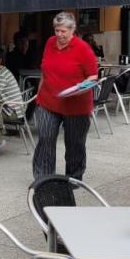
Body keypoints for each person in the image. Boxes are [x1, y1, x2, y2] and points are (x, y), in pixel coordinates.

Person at [32, 12, 98, 181]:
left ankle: (74, 177)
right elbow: (45, 72)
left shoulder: (83, 49)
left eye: (63, 31)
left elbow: (93, 77)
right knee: (45, 139)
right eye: (57, 30)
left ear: (72, 30)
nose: (59, 35)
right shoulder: (49, 43)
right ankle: (44, 178)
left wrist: (78, 89)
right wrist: (38, 96)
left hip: (76, 105)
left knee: (75, 144)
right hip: (48, 101)